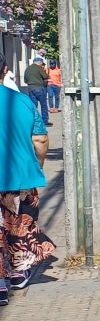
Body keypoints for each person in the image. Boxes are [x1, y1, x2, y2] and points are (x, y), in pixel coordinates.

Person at [0, 65, 54, 302]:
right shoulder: (22, 101)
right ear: (5, 70)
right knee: (19, 226)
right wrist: (37, 166)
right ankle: (17, 273)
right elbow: (40, 139)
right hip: (19, 178)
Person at [23, 56, 50, 125]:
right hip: (39, 87)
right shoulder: (39, 68)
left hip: (30, 88)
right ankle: (45, 121)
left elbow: (25, 80)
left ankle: (34, 121)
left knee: (34, 105)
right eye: (41, 64)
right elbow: (45, 76)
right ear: (39, 63)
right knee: (43, 105)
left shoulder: (27, 69)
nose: (42, 65)